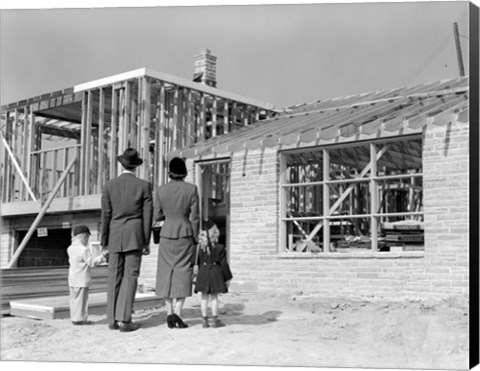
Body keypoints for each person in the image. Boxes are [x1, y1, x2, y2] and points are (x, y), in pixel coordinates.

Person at [101, 148, 153, 332]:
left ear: (121, 164)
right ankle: (125, 320)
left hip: (115, 234)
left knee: (113, 276)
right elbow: (148, 216)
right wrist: (146, 241)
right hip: (135, 234)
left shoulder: (109, 185)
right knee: (131, 277)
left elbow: (106, 215)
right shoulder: (145, 186)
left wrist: (104, 242)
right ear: (135, 166)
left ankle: (111, 320)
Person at [154, 157, 200, 329]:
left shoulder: (161, 190)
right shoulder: (192, 189)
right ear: (185, 172)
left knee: (166, 272)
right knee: (183, 272)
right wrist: (195, 237)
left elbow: (157, 215)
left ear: (169, 173)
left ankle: (168, 312)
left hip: (166, 234)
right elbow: (195, 217)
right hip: (185, 234)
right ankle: (178, 313)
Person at [194, 220, 233, 328]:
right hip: (215, 272)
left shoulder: (198, 248)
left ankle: (204, 321)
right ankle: (215, 320)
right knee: (214, 297)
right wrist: (228, 278)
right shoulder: (220, 247)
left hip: (203, 272)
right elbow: (224, 264)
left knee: (204, 297)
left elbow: (194, 262)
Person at [67, 225, 107, 325]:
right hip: (82, 278)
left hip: (72, 278)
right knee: (82, 301)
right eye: (87, 238)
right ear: (83, 237)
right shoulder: (84, 250)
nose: (88, 240)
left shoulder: (70, 248)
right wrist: (103, 256)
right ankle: (80, 320)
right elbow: (92, 263)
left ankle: (74, 318)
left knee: (74, 300)